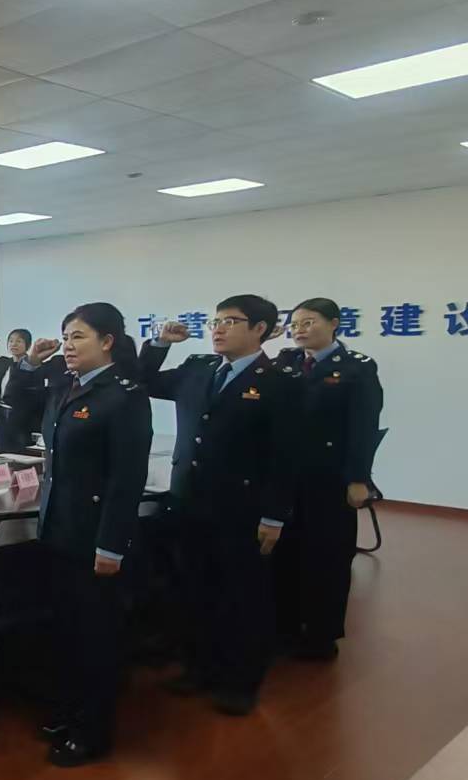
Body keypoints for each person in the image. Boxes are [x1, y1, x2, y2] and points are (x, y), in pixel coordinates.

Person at [142, 295, 302, 715]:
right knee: (193, 590)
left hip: (241, 508)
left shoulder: (279, 382)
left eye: (230, 321)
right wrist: (160, 344)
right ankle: (199, 668)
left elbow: (286, 456)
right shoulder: (197, 369)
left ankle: (240, 682)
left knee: (242, 598)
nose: (218, 329)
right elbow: (141, 380)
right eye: (215, 321)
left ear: (260, 329)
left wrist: (274, 515)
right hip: (188, 501)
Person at [31, 304, 153, 767]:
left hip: (95, 537)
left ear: (107, 341)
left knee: (96, 638)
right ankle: (67, 712)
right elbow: (22, 407)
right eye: (65, 337)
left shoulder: (124, 396)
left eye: (78, 337)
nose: (67, 345)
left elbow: (127, 479)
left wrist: (111, 545)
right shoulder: (67, 386)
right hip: (59, 528)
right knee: (65, 630)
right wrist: (27, 365)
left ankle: (93, 733)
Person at [272, 298, 384, 661]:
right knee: (285, 552)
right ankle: (286, 628)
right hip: (287, 475)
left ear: (334, 323)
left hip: (329, 477)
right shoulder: (286, 361)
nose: (299, 330)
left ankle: (321, 635)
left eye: (309, 322)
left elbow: (363, 426)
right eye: (294, 324)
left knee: (327, 556)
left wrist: (358, 478)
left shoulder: (356, 368)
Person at [0, 329, 45, 450]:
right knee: (3, 451)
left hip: (23, 419)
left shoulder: (34, 366)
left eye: (19, 341)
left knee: (22, 453)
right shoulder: (1, 363)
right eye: (11, 341)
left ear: (28, 345)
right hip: (1, 416)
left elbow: (38, 396)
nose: (13, 344)